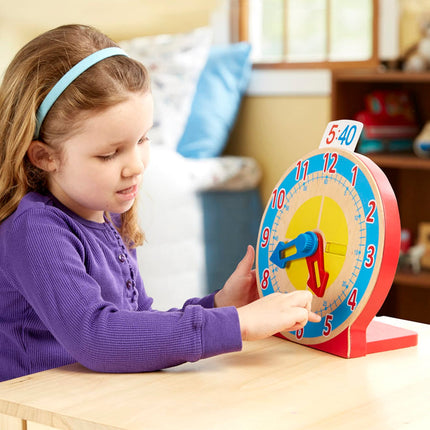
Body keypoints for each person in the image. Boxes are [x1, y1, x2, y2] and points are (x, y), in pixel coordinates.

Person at [0, 24, 320, 382]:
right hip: (30, 412)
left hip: (87, 402)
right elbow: (98, 337)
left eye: (143, 139)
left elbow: (136, 325)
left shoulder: (109, 216)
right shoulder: (34, 230)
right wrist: (236, 324)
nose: (136, 165)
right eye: (109, 154)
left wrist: (221, 305)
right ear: (45, 157)